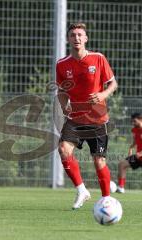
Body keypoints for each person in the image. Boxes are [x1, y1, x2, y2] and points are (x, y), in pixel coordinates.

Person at [56, 23, 117, 209]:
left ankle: (106, 199)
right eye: (73, 35)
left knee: (99, 161)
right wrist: (63, 105)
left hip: (97, 119)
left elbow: (112, 84)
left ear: (86, 39)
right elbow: (61, 91)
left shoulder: (98, 58)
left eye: (80, 35)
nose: (77, 38)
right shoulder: (62, 64)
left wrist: (102, 95)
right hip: (74, 118)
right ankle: (82, 190)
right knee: (63, 149)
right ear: (68, 39)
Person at [117, 113, 142, 193]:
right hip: (139, 157)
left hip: (140, 155)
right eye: (132, 121)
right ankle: (121, 187)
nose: (133, 123)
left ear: (140, 119)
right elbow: (135, 141)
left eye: (134, 121)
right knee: (122, 164)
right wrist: (131, 148)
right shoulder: (134, 129)